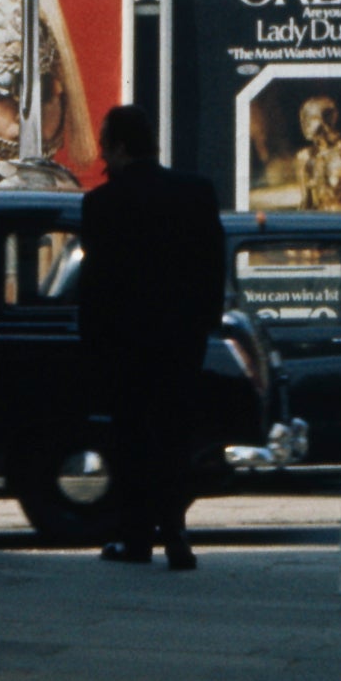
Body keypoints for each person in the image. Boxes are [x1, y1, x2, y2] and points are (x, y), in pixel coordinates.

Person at [72, 99, 227, 567]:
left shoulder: (101, 203)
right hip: (181, 340)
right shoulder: (196, 192)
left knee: (131, 439)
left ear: (119, 148)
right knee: (175, 438)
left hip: (125, 345)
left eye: (104, 149)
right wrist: (205, 324)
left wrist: (92, 343)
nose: (102, 160)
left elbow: (94, 284)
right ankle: (177, 533)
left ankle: (135, 538)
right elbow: (213, 267)